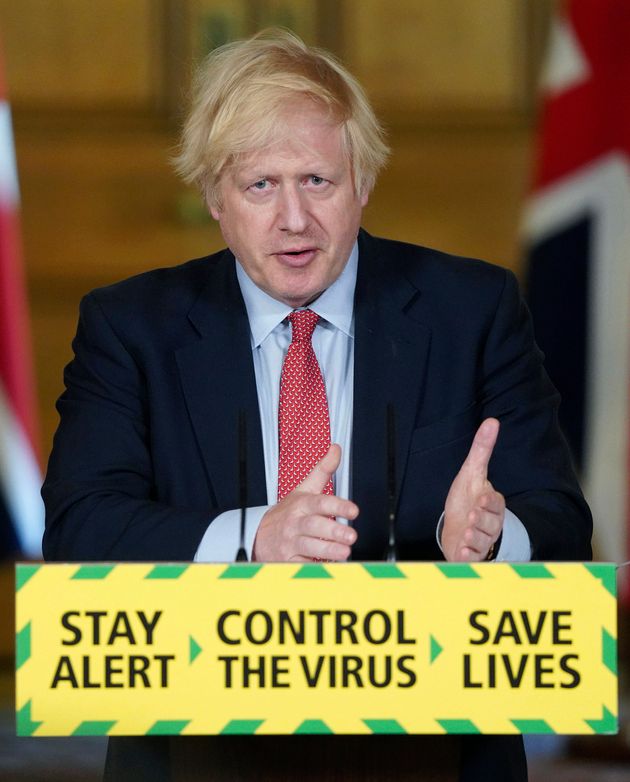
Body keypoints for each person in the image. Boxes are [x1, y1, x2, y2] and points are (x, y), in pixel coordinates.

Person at [42, 28, 592, 782]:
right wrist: (251, 538)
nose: (294, 219)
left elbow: (564, 524)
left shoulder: (472, 310)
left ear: (362, 180)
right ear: (212, 197)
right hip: (194, 755)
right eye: (260, 185)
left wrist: (499, 540)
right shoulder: (131, 327)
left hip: (435, 756)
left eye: (317, 181)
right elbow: (79, 533)